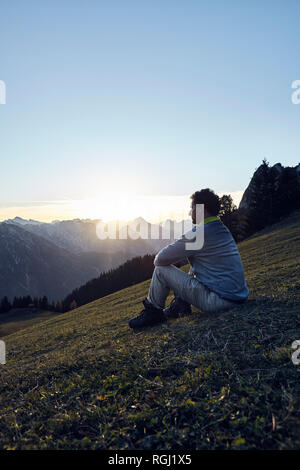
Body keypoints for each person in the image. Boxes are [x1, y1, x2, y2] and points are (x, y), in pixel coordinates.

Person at [129, 188, 249, 329]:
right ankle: (181, 305)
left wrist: (180, 253)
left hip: (219, 301)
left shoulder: (198, 234)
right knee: (195, 262)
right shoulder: (221, 228)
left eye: (192, 208)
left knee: (161, 270)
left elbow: (159, 260)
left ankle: (153, 312)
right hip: (237, 296)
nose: (190, 213)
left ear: (200, 209)